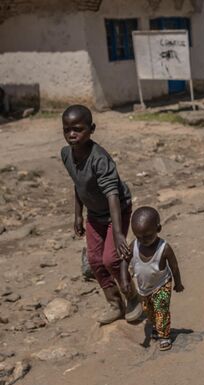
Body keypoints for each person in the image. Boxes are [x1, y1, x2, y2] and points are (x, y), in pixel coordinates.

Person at [60, 105, 141, 324]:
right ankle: (115, 304)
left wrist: (119, 233)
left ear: (91, 129)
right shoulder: (67, 154)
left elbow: (113, 195)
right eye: (67, 130)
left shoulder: (100, 159)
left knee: (112, 259)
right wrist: (78, 214)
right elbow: (78, 184)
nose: (72, 134)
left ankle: (132, 296)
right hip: (94, 215)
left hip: (117, 211)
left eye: (78, 129)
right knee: (95, 261)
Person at [120, 207, 184, 351]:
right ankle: (156, 327)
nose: (143, 240)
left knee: (161, 310)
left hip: (162, 284)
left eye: (147, 236)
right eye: (139, 236)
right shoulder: (134, 246)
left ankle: (164, 336)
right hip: (144, 288)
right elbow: (125, 261)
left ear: (158, 229)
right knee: (149, 311)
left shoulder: (164, 248)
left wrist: (178, 283)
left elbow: (174, 267)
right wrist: (124, 280)